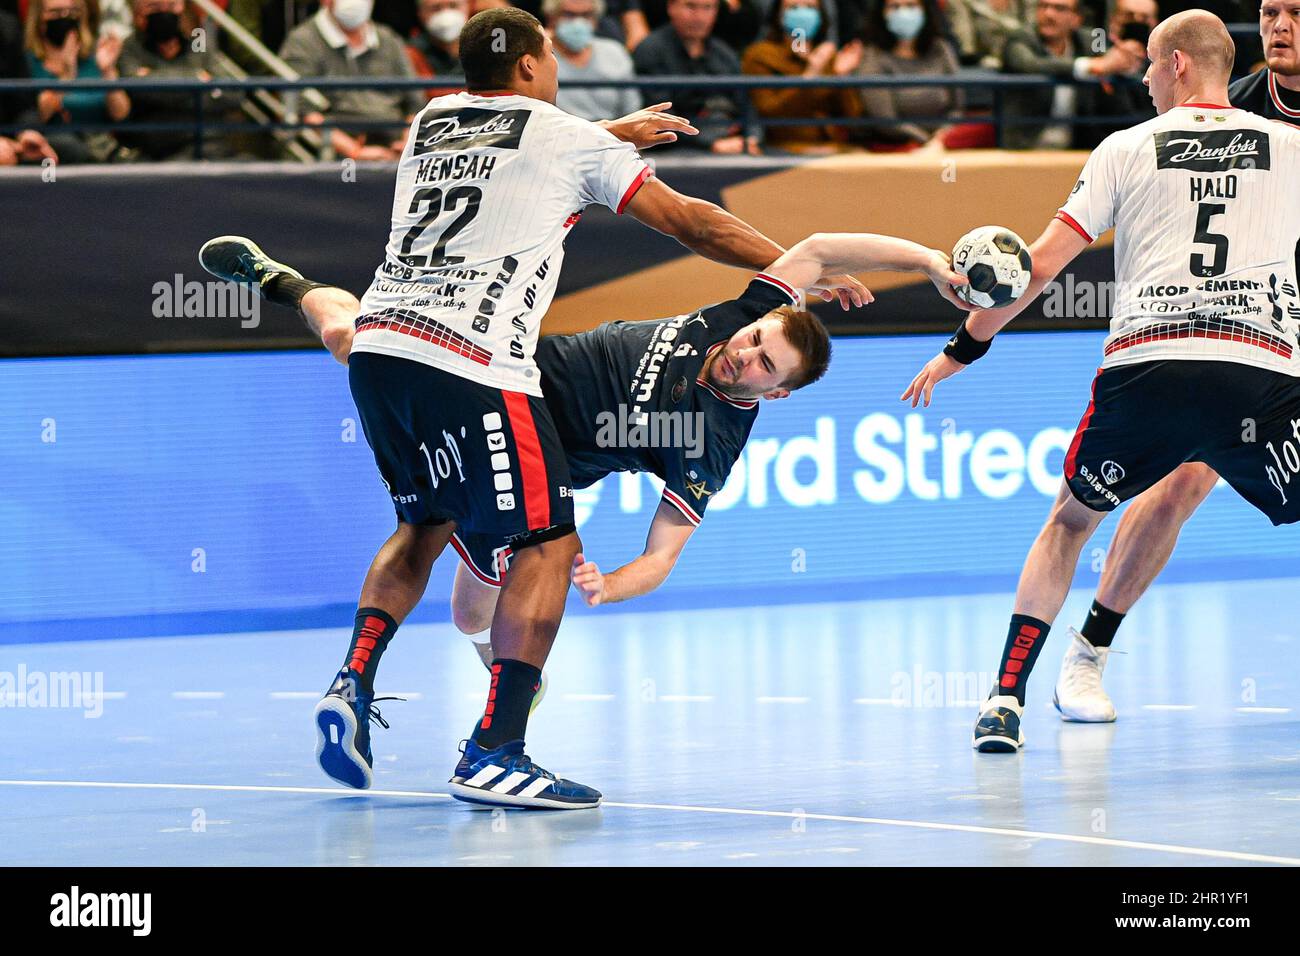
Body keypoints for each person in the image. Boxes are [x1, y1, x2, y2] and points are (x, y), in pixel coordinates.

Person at [200, 7, 867, 809]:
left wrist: (606, 134)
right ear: (527, 67)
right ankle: (496, 751)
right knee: (548, 545)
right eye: (549, 54)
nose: (557, 66)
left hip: (384, 353)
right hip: (474, 362)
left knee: (421, 521)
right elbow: (692, 222)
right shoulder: (566, 136)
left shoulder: (430, 120)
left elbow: (513, 146)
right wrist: (793, 268)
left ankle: (353, 680)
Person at [902, 10, 1300, 753]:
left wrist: (964, 346)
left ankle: (1004, 700)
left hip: (1146, 367)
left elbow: (1038, 268)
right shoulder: (1291, 149)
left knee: (1068, 523)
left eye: (1150, 66)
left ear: (1178, 64)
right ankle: (1079, 665)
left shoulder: (1123, 146)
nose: (1144, 79)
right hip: (1260, 372)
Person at [1046, 0, 1300, 725]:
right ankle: (1087, 655)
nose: (1279, 25)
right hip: (1248, 336)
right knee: (1180, 483)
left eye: (1296, 12)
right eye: (1269, 12)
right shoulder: (1235, 112)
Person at [279, 0, 425, 162]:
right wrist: (354, 151)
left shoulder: (388, 39)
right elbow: (303, 110)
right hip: (335, 152)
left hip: (395, 146)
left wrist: (408, 144)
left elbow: (416, 102)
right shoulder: (301, 41)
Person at [1000, 0, 1148, 149]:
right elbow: (1029, 64)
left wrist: (1126, 58)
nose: (1048, 14)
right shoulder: (1019, 37)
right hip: (1025, 144)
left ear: (1077, 18)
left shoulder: (1092, 38)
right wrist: (1090, 65)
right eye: (1043, 6)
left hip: (1078, 143)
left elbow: (1109, 59)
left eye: (1060, 8)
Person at [632, 0, 755, 153]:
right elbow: (659, 115)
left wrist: (752, 138)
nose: (699, 17)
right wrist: (711, 143)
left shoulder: (725, 54)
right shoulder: (650, 50)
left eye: (708, 8)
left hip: (728, 139)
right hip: (673, 147)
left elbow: (746, 106)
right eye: (690, 6)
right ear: (671, 7)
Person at [740, 0, 863, 152]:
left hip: (833, 147)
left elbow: (853, 119)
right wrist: (810, 75)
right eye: (794, 7)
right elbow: (769, 111)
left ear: (821, 15)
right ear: (778, 15)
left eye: (810, 7)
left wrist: (840, 76)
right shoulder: (760, 55)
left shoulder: (827, 55)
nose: (802, 13)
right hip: (783, 149)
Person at [117, 0, 230, 160]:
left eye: (171, 6)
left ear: (183, 7)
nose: (164, 13)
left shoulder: (197, 41)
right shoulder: (131, 45)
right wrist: (198, 81)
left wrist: (153, 81)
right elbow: (135, 90)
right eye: (154, 7)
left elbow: (232, 93)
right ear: (138, 14)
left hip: (206, 141)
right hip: (155, 146)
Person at [24, 0, 131, 163]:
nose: (65, 17)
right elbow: (35, 117)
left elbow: (120, 114)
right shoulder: (27, 61)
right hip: (51, 155)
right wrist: (65, 76)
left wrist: (107, 71)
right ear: (38, 18)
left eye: (72, 11)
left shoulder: (96, 56)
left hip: (102, 149)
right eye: (55, 12)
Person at [855, 0, 963, 149]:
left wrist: (942, 137)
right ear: (882, 13)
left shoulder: (941, 48)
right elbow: (886, 122)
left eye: (911, 5)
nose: (903, 12)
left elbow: (957, 108)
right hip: (898, 146)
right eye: (895, 6)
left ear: (925, 10)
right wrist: (927, 142)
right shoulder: (873, 57)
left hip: (945, 142)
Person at [546, 0, 641, 121]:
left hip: (612, 134)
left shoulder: (615, 52)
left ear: (596, 20)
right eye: (569, 14)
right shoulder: (540, 56)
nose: (578, 22)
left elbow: (631, 111)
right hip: (558, 134)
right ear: (551, 17)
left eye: (586, 15)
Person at [1, 6, 57, 165]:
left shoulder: (7, 28)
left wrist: (27, 131)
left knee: (62, 150)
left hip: (10, 138)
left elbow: (24, 101)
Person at [409, 0, 467, 80]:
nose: (446, 16)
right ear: (420, 13)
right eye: (436, 8)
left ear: (468, 7)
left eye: (453, 6)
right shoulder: (410, 54)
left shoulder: (484, 48)